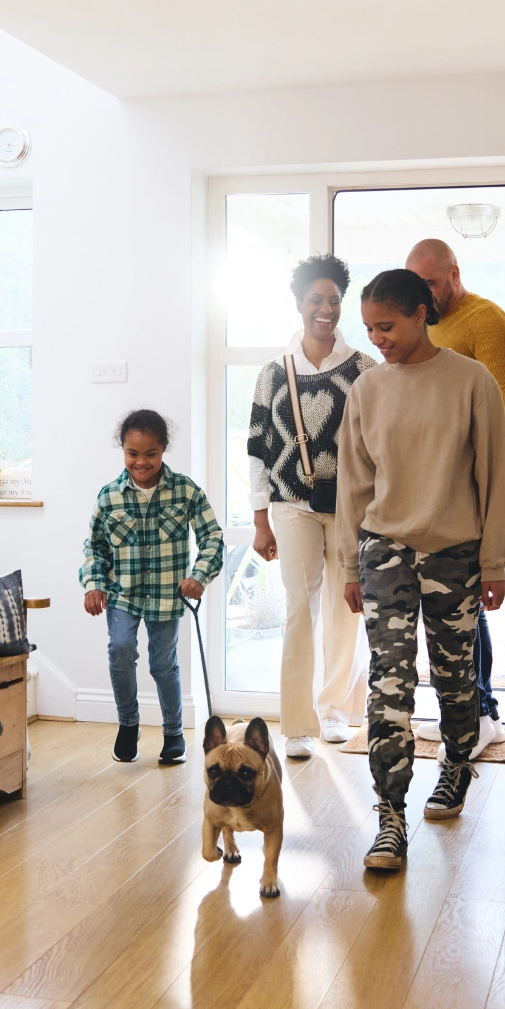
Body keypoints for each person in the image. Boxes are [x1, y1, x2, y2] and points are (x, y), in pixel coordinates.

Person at [338, 269, 505, 870]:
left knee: (454, 676)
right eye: (369, 328)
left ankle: (457, 764)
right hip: (384, 548)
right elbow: (354, 485)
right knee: (389, 681)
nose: (377, 339)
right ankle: (390, 817)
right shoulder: (366, 390)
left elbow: (492, 478)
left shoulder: (472, 382)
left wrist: (494, 562)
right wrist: (350, 565)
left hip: (455, 551)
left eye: (386, 326)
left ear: (420, 314)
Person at [246, 255, 380, 760]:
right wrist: (260, 520)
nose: (326, 309)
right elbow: (257, 449)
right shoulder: (272, 374)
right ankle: (298, 725)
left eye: (334, 301)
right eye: (316, 300)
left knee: (346, 610)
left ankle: (335, 711)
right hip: (291, 505)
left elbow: (378, 442)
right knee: (299, 609)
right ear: (299, 304)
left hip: (349, 508)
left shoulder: (365, 368)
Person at [405, 238, 505, 755]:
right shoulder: (421, 324)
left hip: (469, 487)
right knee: (450, 609)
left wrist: (496, 470)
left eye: (430, 282)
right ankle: (467, 711)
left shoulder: (485, 320)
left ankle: (484, 713)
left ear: (454, 273)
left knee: (469, 605)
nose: (423, 293)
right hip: (431, 488)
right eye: (416, 283)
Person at [80, 410, 224, 766]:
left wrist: (199, 576)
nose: (141, 462)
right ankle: (128, 725)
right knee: (120, 650)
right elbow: (95, 547)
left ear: (163, 449)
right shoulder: (109, 496)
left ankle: (174, 734)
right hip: (122, 594)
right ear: (122, 449)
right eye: (132, 454)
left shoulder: (186, 491)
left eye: (151, 454)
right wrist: (94, 585)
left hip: (166, 596)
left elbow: (212, 536)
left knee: (163, 664)